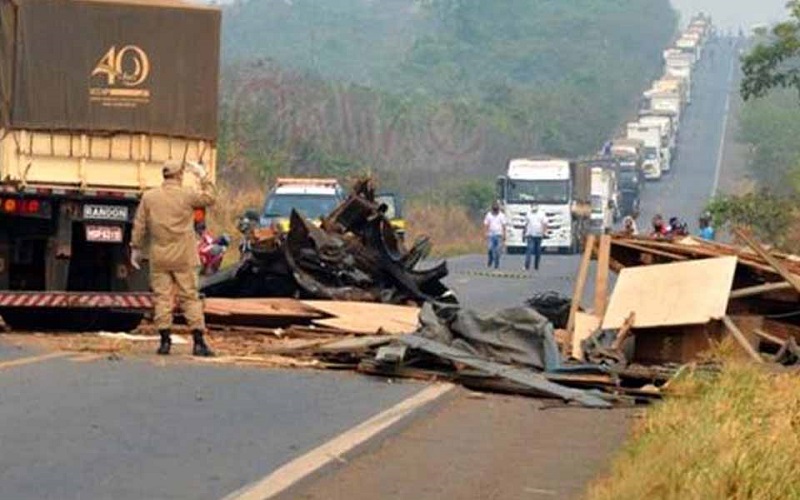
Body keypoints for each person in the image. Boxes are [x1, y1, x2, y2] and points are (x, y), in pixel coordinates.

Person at [131, 160, 218, 357]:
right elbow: (210, 198)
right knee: (190, 297)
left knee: (162, 298)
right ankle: (198, 342)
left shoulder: (149, 197)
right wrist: (202, 175)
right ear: (180, 175)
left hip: (159, 255)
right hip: (184, 255)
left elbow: (140, 225)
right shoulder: (187, 195)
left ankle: (164, 342)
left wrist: (135, 248)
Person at [523, 205, 547, 271]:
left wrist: (544, 232)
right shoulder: (528, 214)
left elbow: (544, 223)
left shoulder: (541, 214)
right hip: (530, 235)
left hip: (539, 235)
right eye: (532, 206)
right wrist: (524, 233)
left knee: (538, 251)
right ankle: (526, 266)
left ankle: (536, 266)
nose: (534, 207)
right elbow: (526, 224)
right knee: (529, 250)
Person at [483, 202, 507, 269]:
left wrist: (504, 235)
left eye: (496, 210)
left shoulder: (502, 215)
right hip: (491, 235)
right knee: (490, 248)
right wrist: (485, 233)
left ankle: (496, 263)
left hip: (499, 234)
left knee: (498, 250)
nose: (495, 211)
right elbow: (486, 224)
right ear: (492, 209)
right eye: (494, 210)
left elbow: (504, 225)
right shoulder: (488, 215)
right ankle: (490, 259)